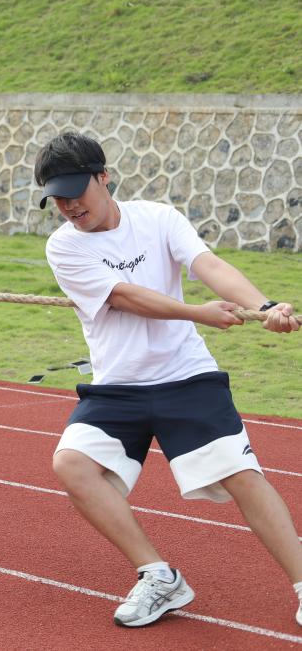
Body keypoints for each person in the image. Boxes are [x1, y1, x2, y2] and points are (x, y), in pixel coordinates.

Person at [35, 131, 302, 629]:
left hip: (186, 376)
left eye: (76, 191)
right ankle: (159, 577)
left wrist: (264, 306)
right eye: (58, 198)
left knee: (242, 476)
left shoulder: (157, 218)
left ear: (103, 177)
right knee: (72, 464)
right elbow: (124, 297)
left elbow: (208, 264)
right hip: (118, 385)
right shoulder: (64, 246)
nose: (69, 206)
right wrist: (197, 312)